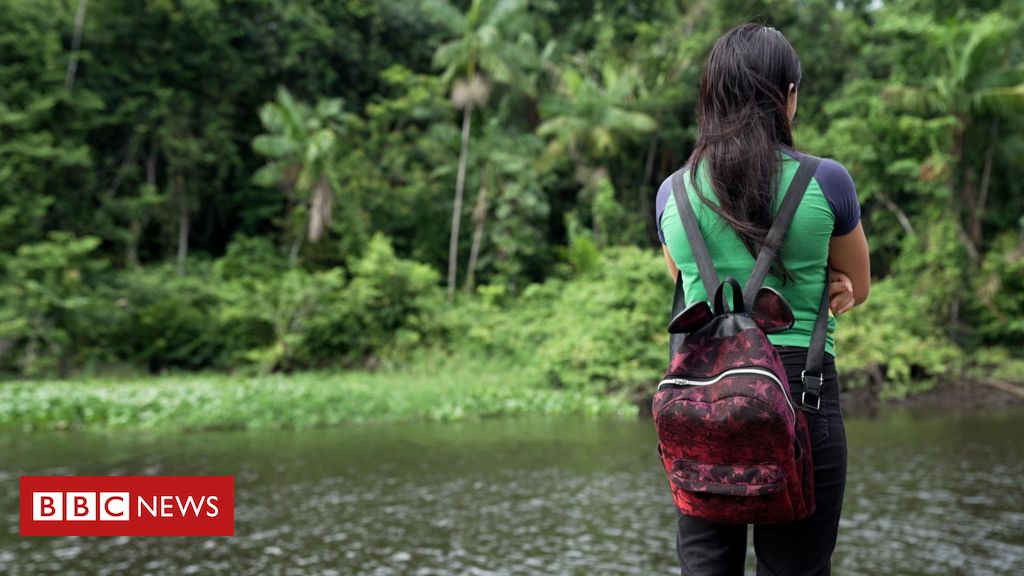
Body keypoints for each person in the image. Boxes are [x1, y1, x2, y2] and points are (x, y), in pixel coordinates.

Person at [654, 24, 871, 575]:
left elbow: (684, 283)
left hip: (702, 398)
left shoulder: (674, 192)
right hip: (803, 391)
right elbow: (857, 286)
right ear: (788, 96)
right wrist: (827, 280)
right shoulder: (829, 182)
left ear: (712, 99)